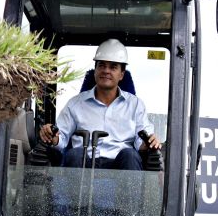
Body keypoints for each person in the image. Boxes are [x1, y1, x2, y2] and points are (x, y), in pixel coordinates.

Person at [39, 39, 161, 170]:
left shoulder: (135, 105)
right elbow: (61, 137)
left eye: (113, 67)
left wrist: (148, 143)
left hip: (120, 166)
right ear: (95, 70)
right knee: (75, 153)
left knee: (130, 155)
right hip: (83, 164)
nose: (106, 71)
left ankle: (130, 192)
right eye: (101, 66)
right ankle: (73, 192)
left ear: (121, 74)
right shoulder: (75, 104)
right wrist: (52, 137)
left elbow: (141, 142)